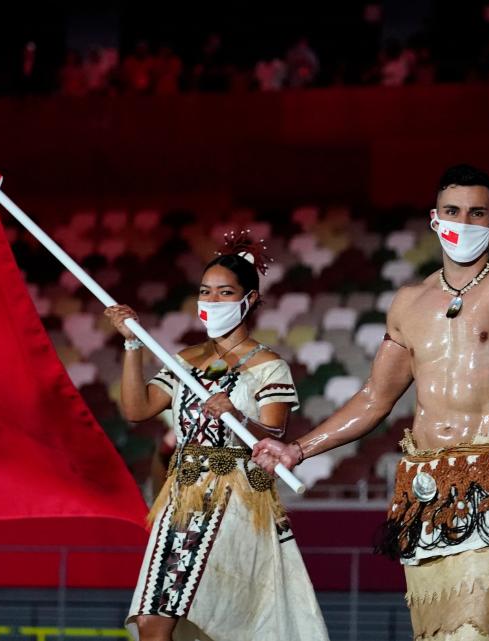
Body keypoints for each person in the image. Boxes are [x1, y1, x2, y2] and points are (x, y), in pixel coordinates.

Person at [253, 77, 489, 641]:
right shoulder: (408, 304)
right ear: (433, 218)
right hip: (425, 495)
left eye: (478, 214)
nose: (464, 223)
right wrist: (298, 447)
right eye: (453, 210)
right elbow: (376, 398)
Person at [107, 232, 328, 641]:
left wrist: (237, 413)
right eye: (205, 292)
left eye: (225, 292)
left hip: (237, 500)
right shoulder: (185, 359)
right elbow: (136, 410)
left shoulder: (269, 365)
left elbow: (274, 434)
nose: (212, 301)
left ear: (251, 301)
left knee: (220, 620)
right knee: (152, 622)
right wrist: (133, 342)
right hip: (180, 498)